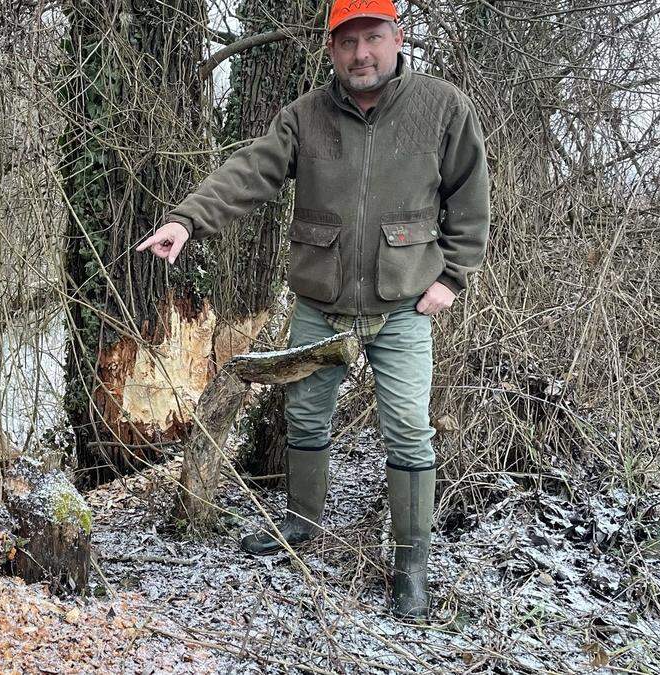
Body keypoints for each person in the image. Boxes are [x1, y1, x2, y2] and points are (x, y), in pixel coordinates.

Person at [135, 0, 489, 620]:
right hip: (320, 302)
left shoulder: (442, 107)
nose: (362, 54)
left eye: (373, 38)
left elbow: (470, 198)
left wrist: (453, 278)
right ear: (331, 49)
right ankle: (301, 526)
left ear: (395, 37)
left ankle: (411, 568)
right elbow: (250, 171)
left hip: (405, 301)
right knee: (305, 417)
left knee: (408, 430)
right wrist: (186, 220)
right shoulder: (304, 117)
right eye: (348, 42)